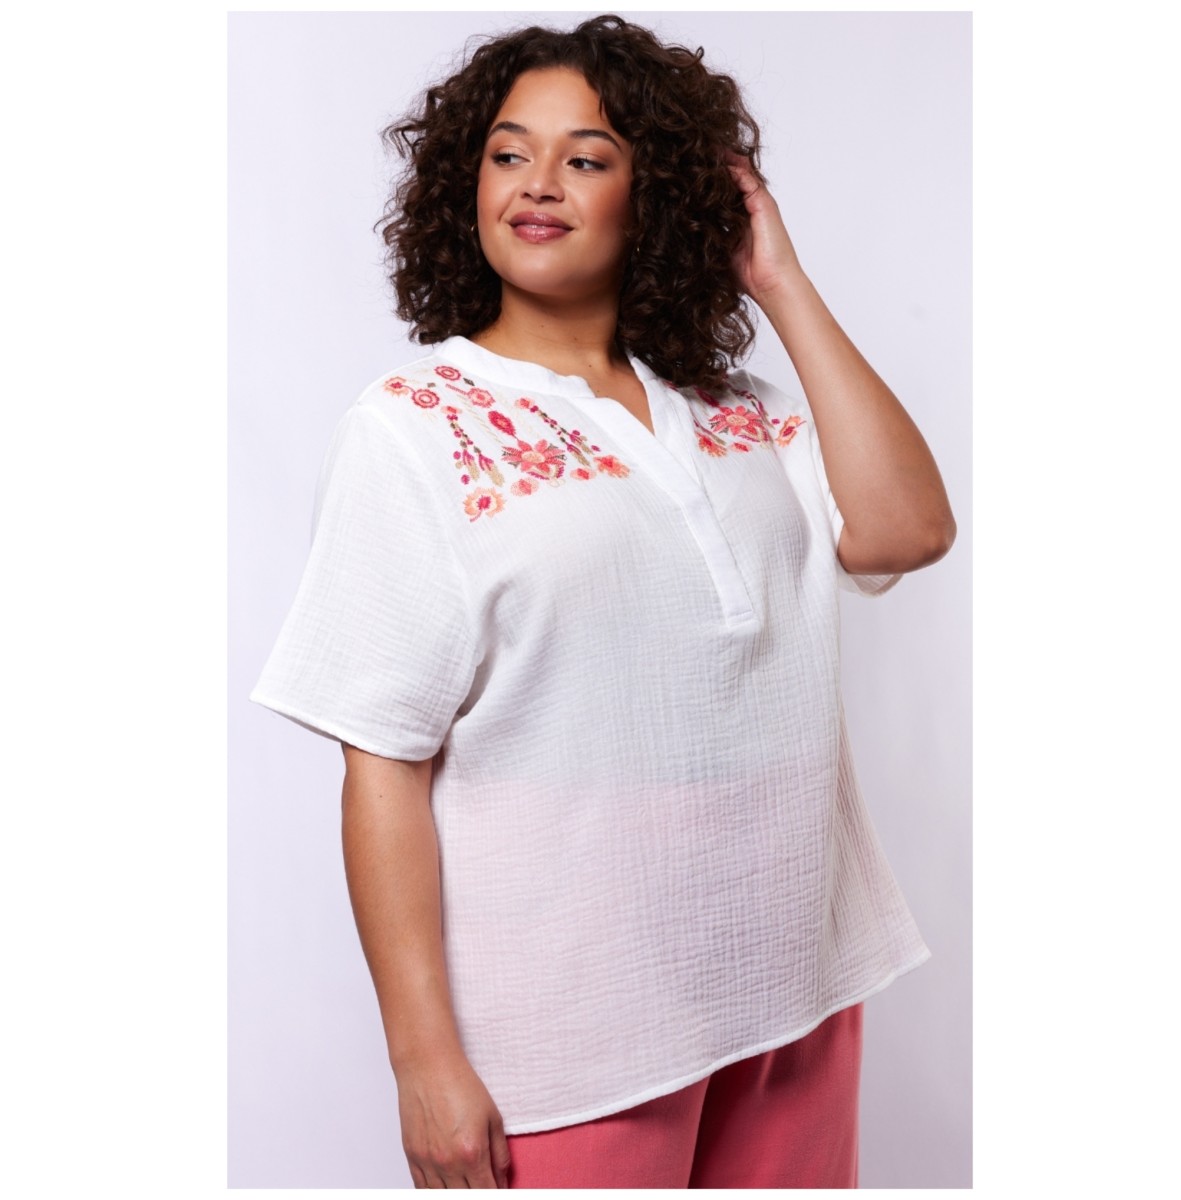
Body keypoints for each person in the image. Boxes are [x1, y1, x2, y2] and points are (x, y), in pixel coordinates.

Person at [251, 13, 955, 1189]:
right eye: (507, 153)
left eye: (586, 158)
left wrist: (779, 281)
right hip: (574, 1036)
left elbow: (908, 530)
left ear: (656, 195)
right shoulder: (416, 429)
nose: (537, 183)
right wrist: (422, 1059)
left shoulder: (736, 410)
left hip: (796, 986)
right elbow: (381, 761)